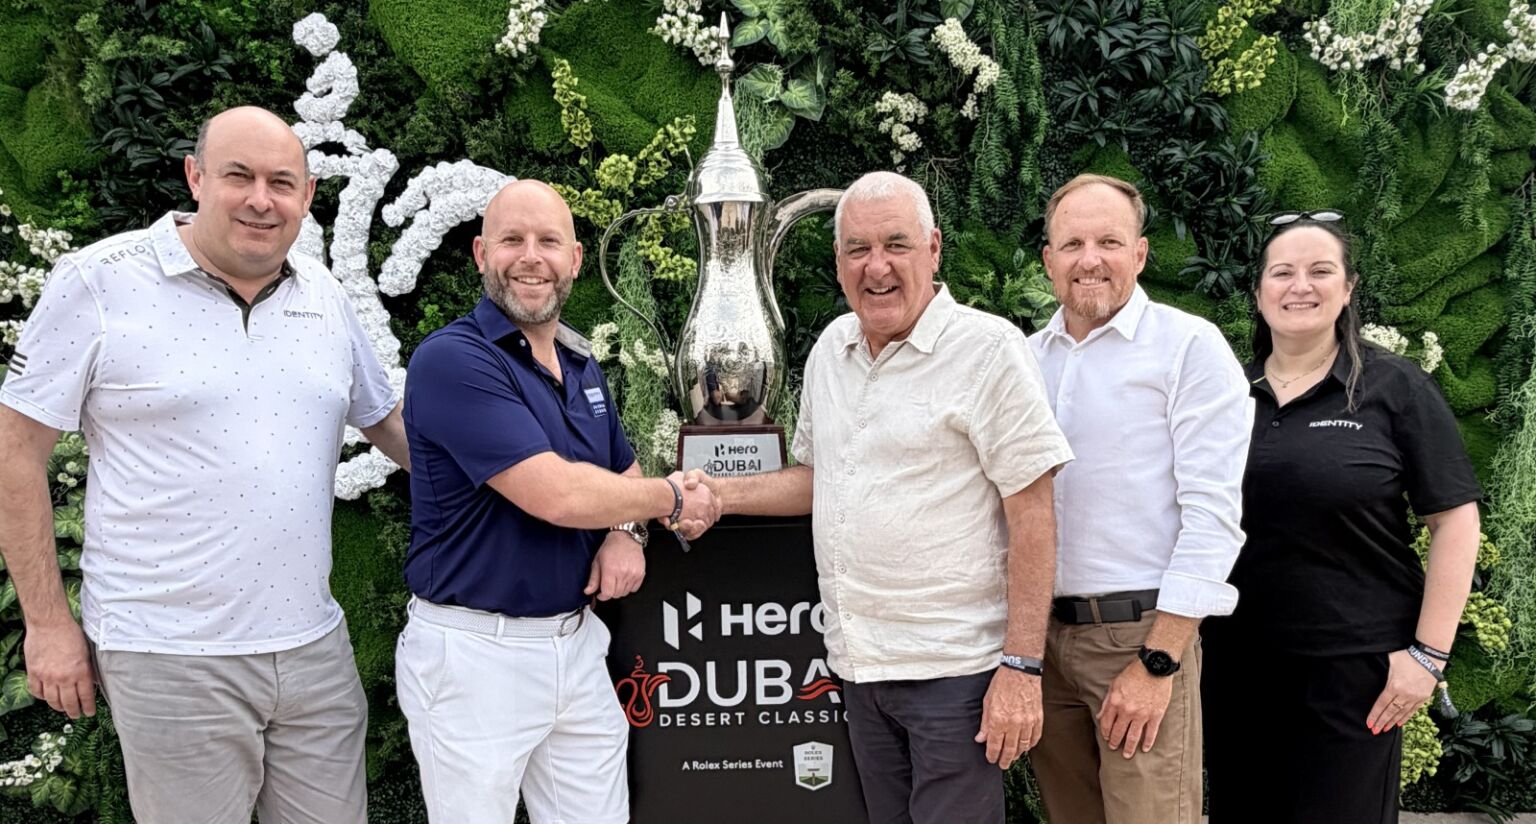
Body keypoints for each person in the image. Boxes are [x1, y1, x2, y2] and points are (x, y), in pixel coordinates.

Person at [0, 106, 410, 823]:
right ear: (195, 177)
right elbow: (14, 452)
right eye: (238, 176)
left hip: (312, 648)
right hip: (170, 656)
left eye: (281, 182)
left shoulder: (324, 294)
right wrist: (48, 624)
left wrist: (557, 493)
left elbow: (393, 426)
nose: (261, 200)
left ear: (308, 195)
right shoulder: (98, 282)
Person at [688, 170, 1073, 823]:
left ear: (933, 249)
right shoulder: (830, 351)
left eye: (896, 244)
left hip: (954, 673)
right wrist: (715, 494)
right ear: (839, 262)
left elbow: (1033, 512)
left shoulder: (987, 350)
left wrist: (1021, 667)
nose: (877, 267)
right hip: (860, 668)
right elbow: (819, 478)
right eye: (858, 249)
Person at [394, 179, 718, 824]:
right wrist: (669, 498)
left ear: (574, 259)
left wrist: (627, 530)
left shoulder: (581, 364)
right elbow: (558, 495)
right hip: (475, 658)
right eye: (511, 240)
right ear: (481, 254)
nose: (530, 257)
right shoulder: (452, 360)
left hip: (575, 644)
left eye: (548, 241)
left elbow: (620, 470)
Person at [1202, 211, 1481, 823]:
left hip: (1356, 675)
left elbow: (1456, 523)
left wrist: (1428, 657)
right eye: (1282, 272)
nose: (1300, 286)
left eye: (1320, 271)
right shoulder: (1225, 393)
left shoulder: (1394, 388)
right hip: (1235, 667)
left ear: (1349, 288)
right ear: (1259, 292)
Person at [1026, 174, 1251, 824]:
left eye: (1109, 242)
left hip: (1139, 638)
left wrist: (1159, 660)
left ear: (1141, 253)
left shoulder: (1188, 348)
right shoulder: (1023, 359)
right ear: (1048, 260)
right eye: (1072, 244)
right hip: (1042, 644)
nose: (1089, 259)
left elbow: (1213, 518)